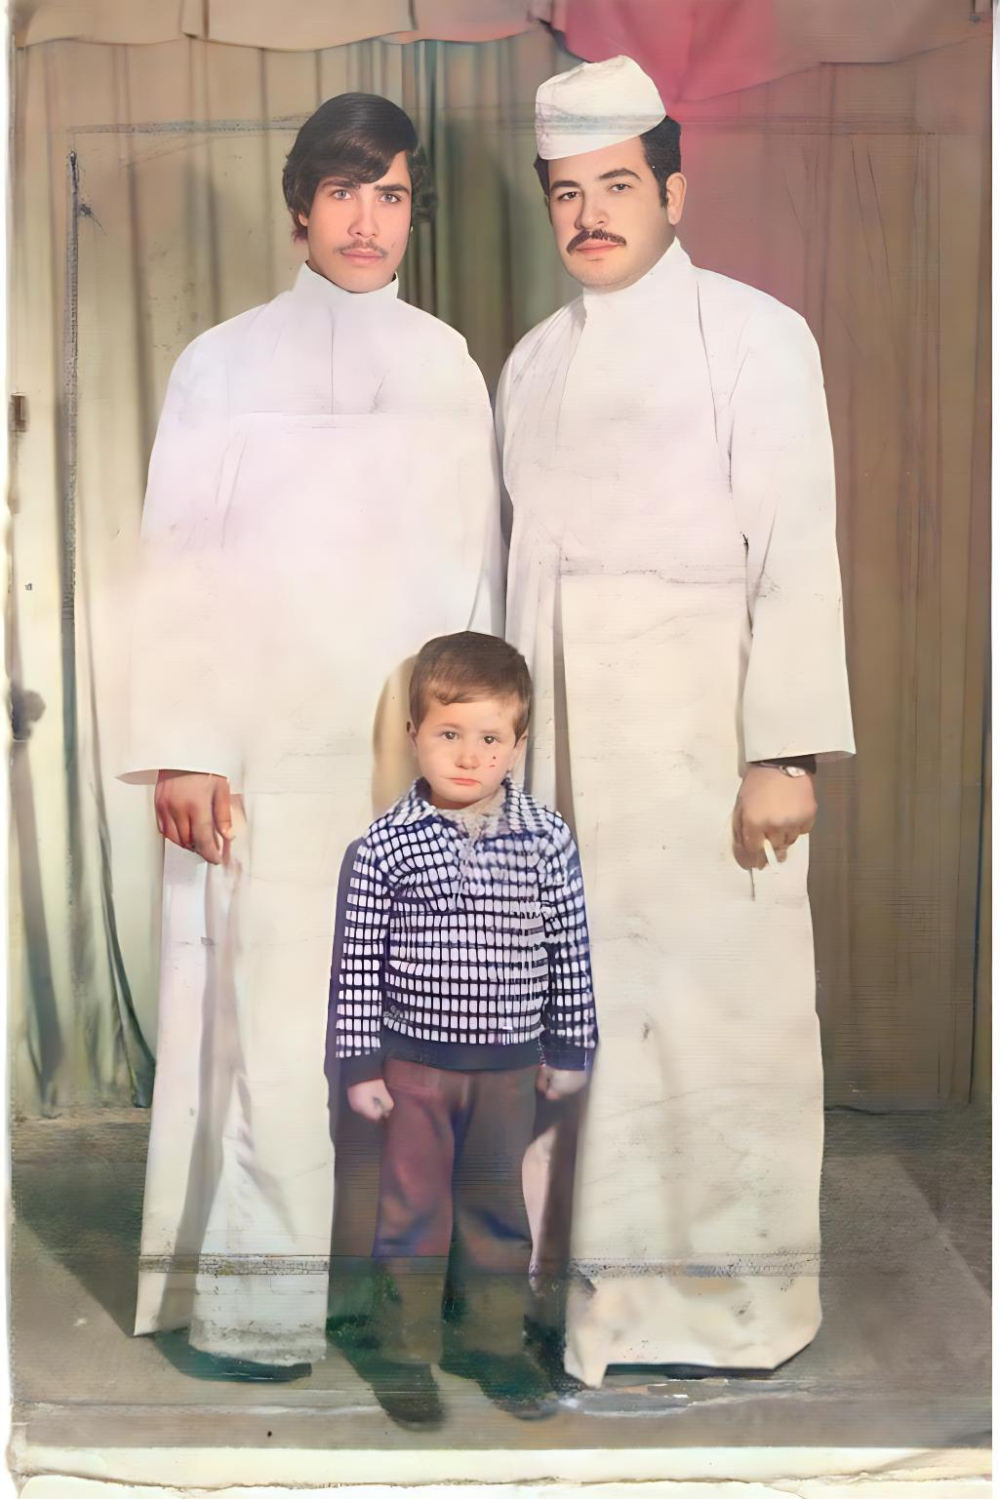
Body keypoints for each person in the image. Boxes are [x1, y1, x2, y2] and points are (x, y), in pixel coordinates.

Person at [120, 94, 502, 1379]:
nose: (366, 219)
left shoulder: (448, 366)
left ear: (411, 211)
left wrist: (475, 761)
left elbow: (478, 584)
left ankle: (396, 1301)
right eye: (343, 192)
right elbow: (175, 563)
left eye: (389, 194)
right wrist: (187, 742)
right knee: (281, 1029)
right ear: (300, 209)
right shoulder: (220, 364)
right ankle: (263, 1315)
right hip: (271, 747)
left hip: (408, 752)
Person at [498, 56, 855, 1388]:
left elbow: (795, 554)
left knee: (719, 1034)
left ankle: (731, 1313)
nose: (592, 215)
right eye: (567, 193)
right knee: (579, 1035)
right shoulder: (531, 366)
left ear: (674, 191)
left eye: (618, 186)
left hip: (709, 756)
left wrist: (784, 750)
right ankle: (589, 1308)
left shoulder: (758, 337)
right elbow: (513, 584)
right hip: (567, 772)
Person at [331, 631, 597, 1425]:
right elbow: (358, 962)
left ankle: (493, 1341)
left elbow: (570, 947)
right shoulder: (386, 844)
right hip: (414, 1068)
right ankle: (405, 1352)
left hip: (509, 1067)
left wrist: (570, 1045)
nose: (470, 755)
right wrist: (360, 1065)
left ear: (518, 743)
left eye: (490, 738)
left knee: (495, 1209)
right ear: (415, 732)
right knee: (412, 1211)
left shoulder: (545, 837)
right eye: (449, 733)